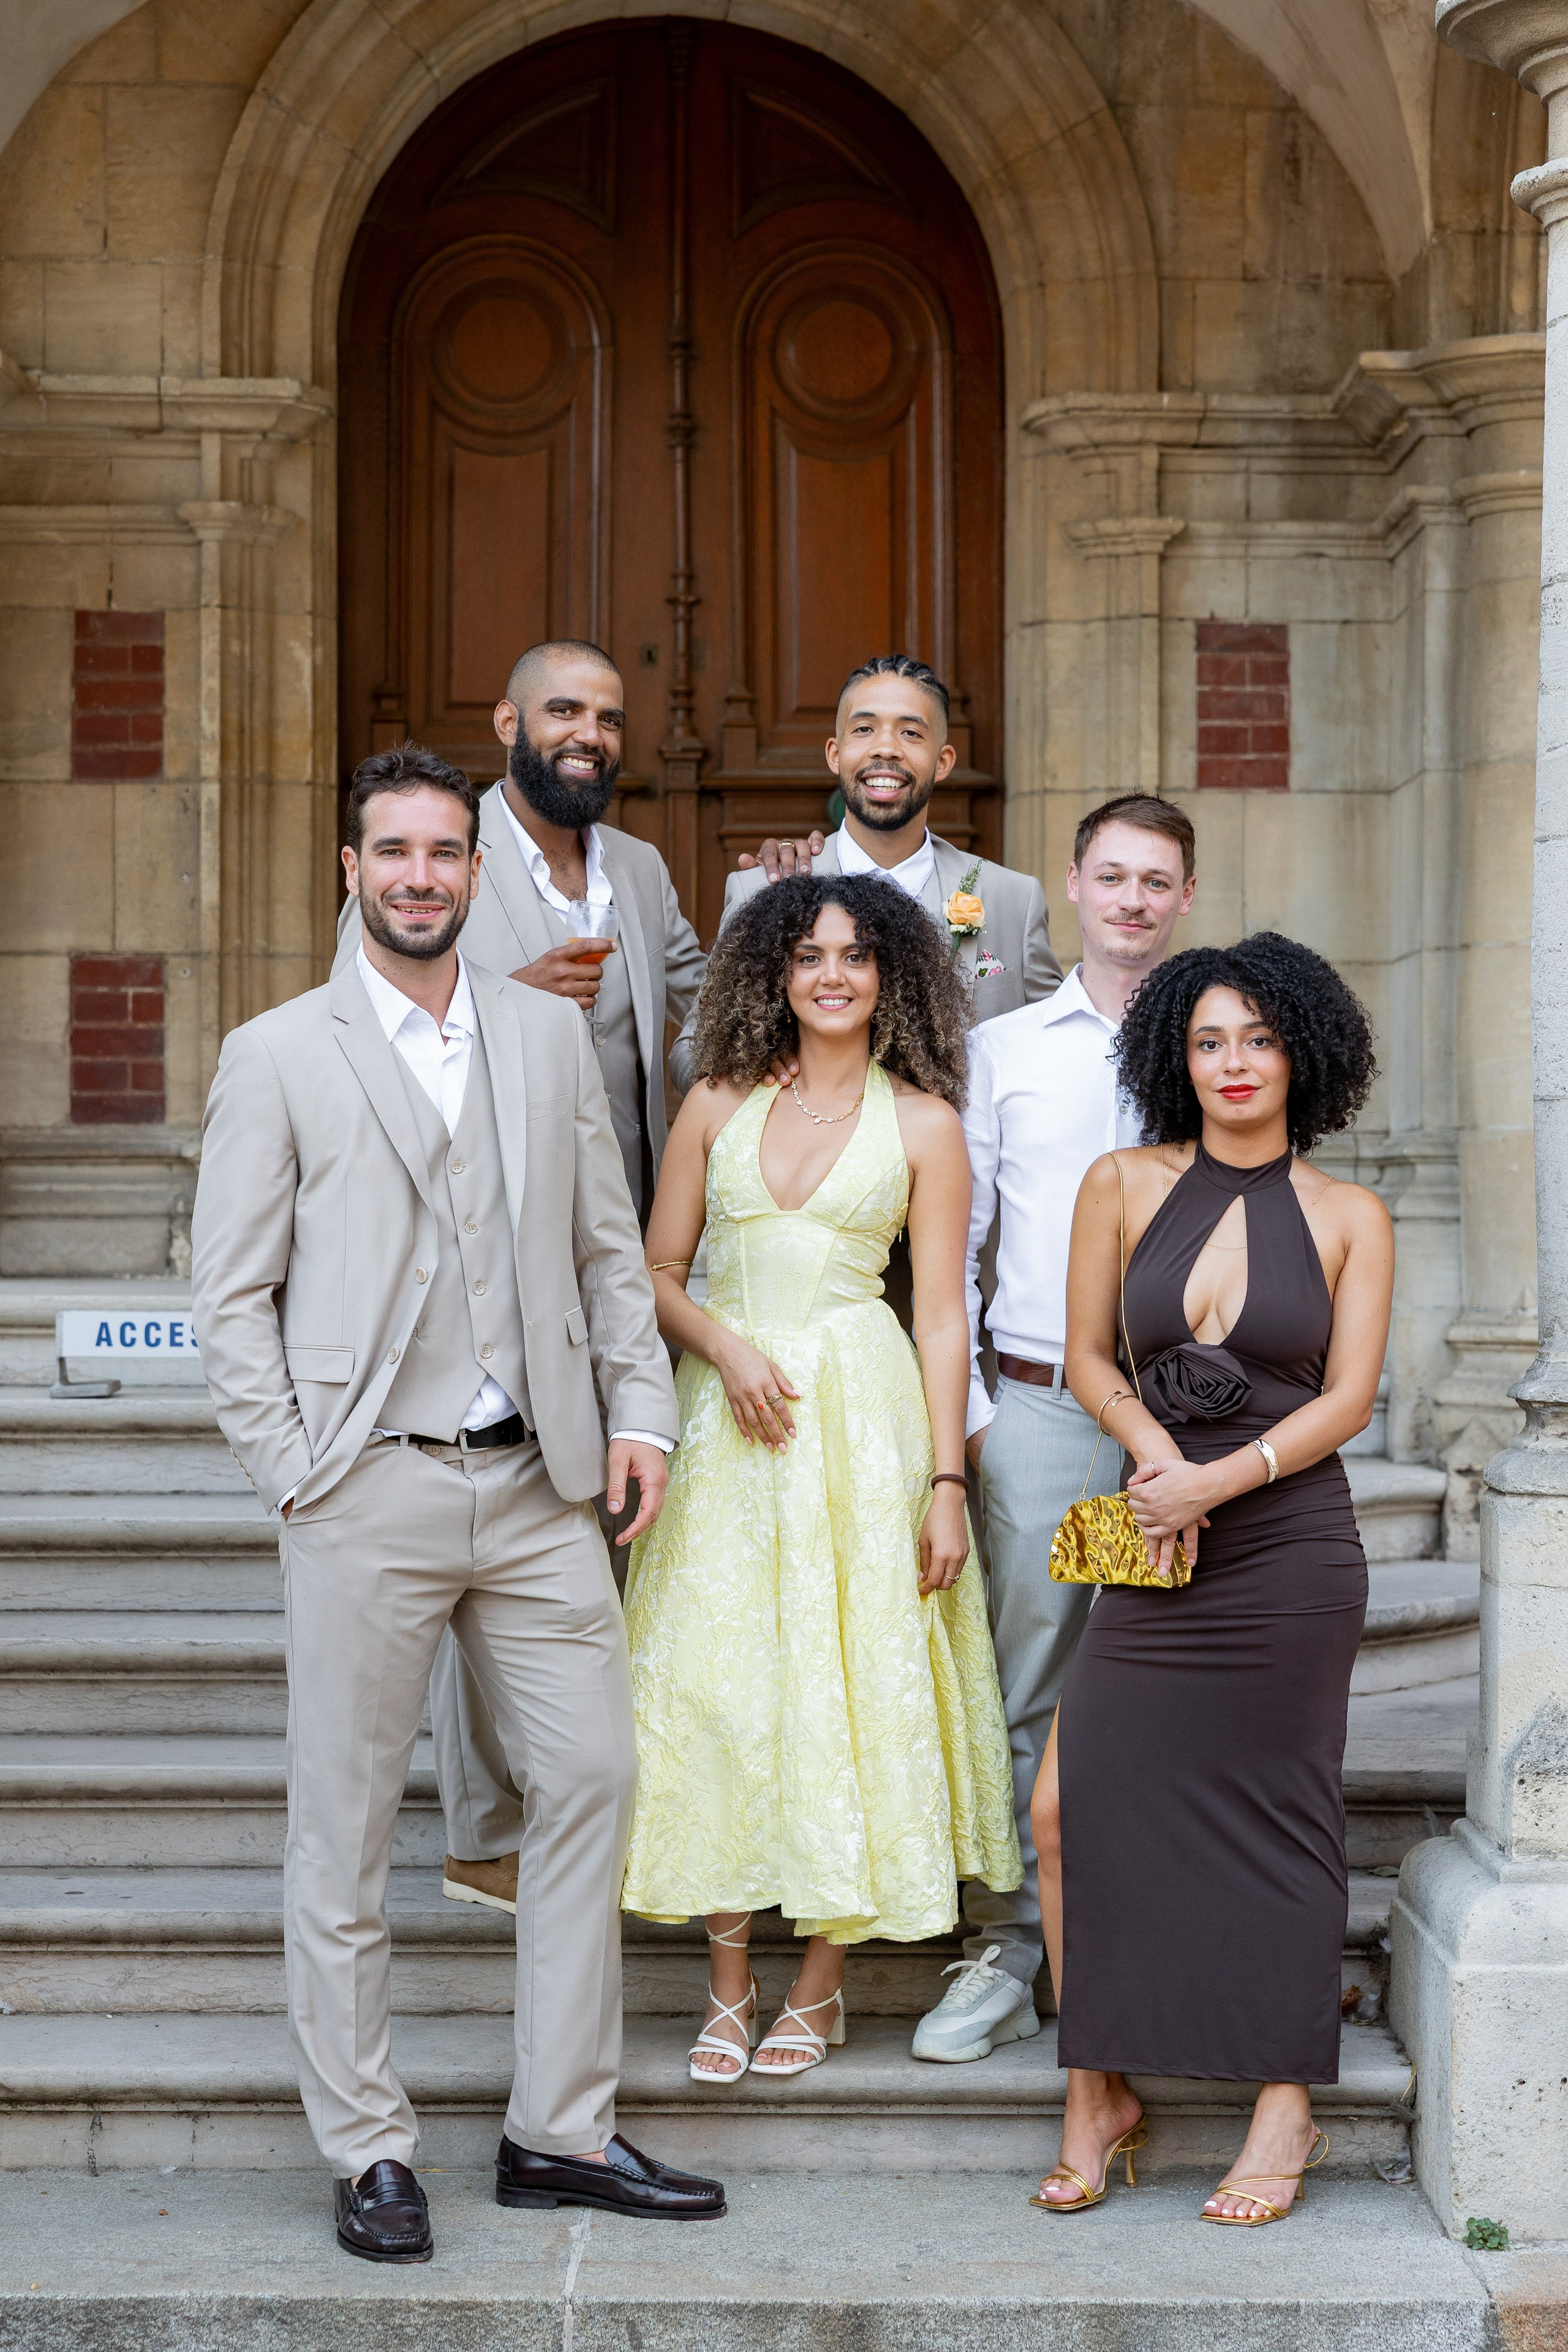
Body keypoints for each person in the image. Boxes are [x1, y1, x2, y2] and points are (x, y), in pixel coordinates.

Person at [193, 744, 724, 2260]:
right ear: (351, 870)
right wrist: (295, 1469)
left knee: (591, 1778)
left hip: (541, 1484)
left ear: (474, 873)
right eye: (393, 851)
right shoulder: (276, 1053)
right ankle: (368, 2145)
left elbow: (608, 1251)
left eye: (442, 852)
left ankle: (559, 2126)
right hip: (366, 1482)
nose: (420, 875)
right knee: (345, 1826)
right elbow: (229, 1295)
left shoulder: (544, 1035)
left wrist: (638, 1413)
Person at [336, 643, 723, 1921]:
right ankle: (486, 1830)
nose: (587, 734)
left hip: (612, 1251)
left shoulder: (641, 870)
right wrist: (499, 996)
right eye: (563, 710)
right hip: (470, 1256)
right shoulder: (435, 857)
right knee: (481, 1533)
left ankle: (575, 1799)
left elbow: (692, 1019)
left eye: (607, 716)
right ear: (509, 719)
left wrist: (784, 926)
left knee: (583, 1525)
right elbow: (358, 1023)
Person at [622, 875, 1021, 2079]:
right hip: (727, 1424)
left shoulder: (926, 1124)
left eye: (854, 955)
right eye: (807, 956)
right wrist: (725, 1347)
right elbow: (654, 1272)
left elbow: (942, 1317)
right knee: (718, 1689)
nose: (831, 975)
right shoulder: (716, 1099)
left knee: (853, 1684)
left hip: (863, 1425)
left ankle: (820, 1983)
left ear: (890, 974)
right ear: (775, 974)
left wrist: (944, 1482)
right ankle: (729, 1983)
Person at [1033, 933, 1392, 2223]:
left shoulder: (1351, 1216)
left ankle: (1284, 2104)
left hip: (1288, 1548)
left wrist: (1214, 1482)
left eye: (1258, 1038)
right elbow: (1086, 1354)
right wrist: (1153, 1456)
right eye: (1207, 1041)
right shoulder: (1120, 1182)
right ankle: (1097, 2090)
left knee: (1284, 1817)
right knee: (1063, 1811)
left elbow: (1347, 1400)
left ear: (1302, 1054)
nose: (1233, 1063)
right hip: (1155, 1531)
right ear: (1171, 1058)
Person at [911, 795, 1197, 2065]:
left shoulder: (1217, 1042)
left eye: (1156, 881)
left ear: (1184, 898)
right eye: (1112, 877)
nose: (1132, 900)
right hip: (1037, 1410)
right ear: (1071, 887)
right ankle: (1010, 1950)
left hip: (1188, 1415)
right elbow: (958, 1242)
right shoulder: (1006, 1049)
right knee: (1026, 1684)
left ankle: (1145, 1945)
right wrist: (972, 1420)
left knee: (1168, 1682)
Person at [668, 654, 1061, 1098]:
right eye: (864, 729)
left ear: (943, 761)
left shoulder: (1013, 899)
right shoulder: (762, 888)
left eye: (911, 733)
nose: (886, 748)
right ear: (835, 755)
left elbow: (1058, 1054)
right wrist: (755, 1067)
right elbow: (690, 1055)